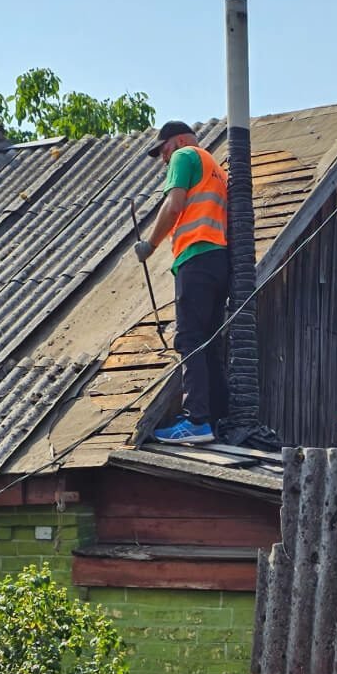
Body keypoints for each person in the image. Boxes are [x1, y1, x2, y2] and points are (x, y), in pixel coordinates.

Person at [136, 119, 230, 447]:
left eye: (162, 151)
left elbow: (174, 204)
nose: (163, 160)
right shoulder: (217, 169)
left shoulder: (184, 156)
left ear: (175, 141)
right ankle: (218, 418)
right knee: (209, 343)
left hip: (196, 257)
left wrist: (150, 245)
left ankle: (196, 420)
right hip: (220, 262)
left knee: (190, 338)